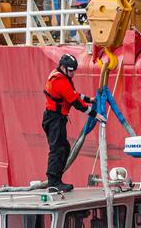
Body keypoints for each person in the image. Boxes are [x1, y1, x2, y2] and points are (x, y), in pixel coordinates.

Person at [42, 54, 105, 192]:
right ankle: (54, 183)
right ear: (63, 67)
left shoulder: (62, 77)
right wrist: (95, 115)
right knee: (57, 150)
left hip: (56, 118)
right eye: (70, 71)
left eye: (73, 71)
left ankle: (56, 179)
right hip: (54, 120)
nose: (72, 74)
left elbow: (75, 93)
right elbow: (76, 103)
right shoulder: (60, 81)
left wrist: (90, 99)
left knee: (64, 148)